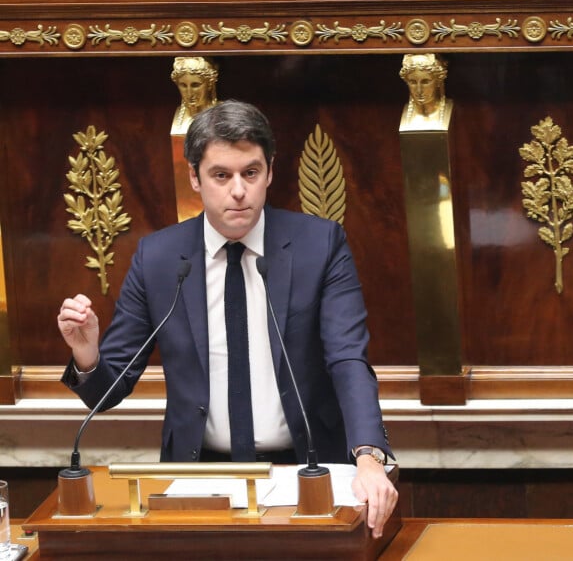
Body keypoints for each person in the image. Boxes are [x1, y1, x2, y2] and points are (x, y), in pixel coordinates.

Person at [58, 100, 398, 538]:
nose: (238, 190)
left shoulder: (321, 245)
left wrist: (368, 457)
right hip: (198, 477)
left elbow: (348, 359)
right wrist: (86, 353)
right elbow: (106, 394)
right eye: (221, 175)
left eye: (250, 173)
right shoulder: (159, 258)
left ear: (270, 172)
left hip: (306, 468)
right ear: (195, 179)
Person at [399, 53, 451, 129]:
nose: (419, 90)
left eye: (425, 82)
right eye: (413, 82)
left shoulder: (450, 109)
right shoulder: (403, 113)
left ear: (438, 81)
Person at [170, 56, 218, 135]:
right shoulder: (179, 120)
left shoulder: (222, 116)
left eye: (195, 85)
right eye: (183, 85)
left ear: (210, 84)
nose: (189, 93)